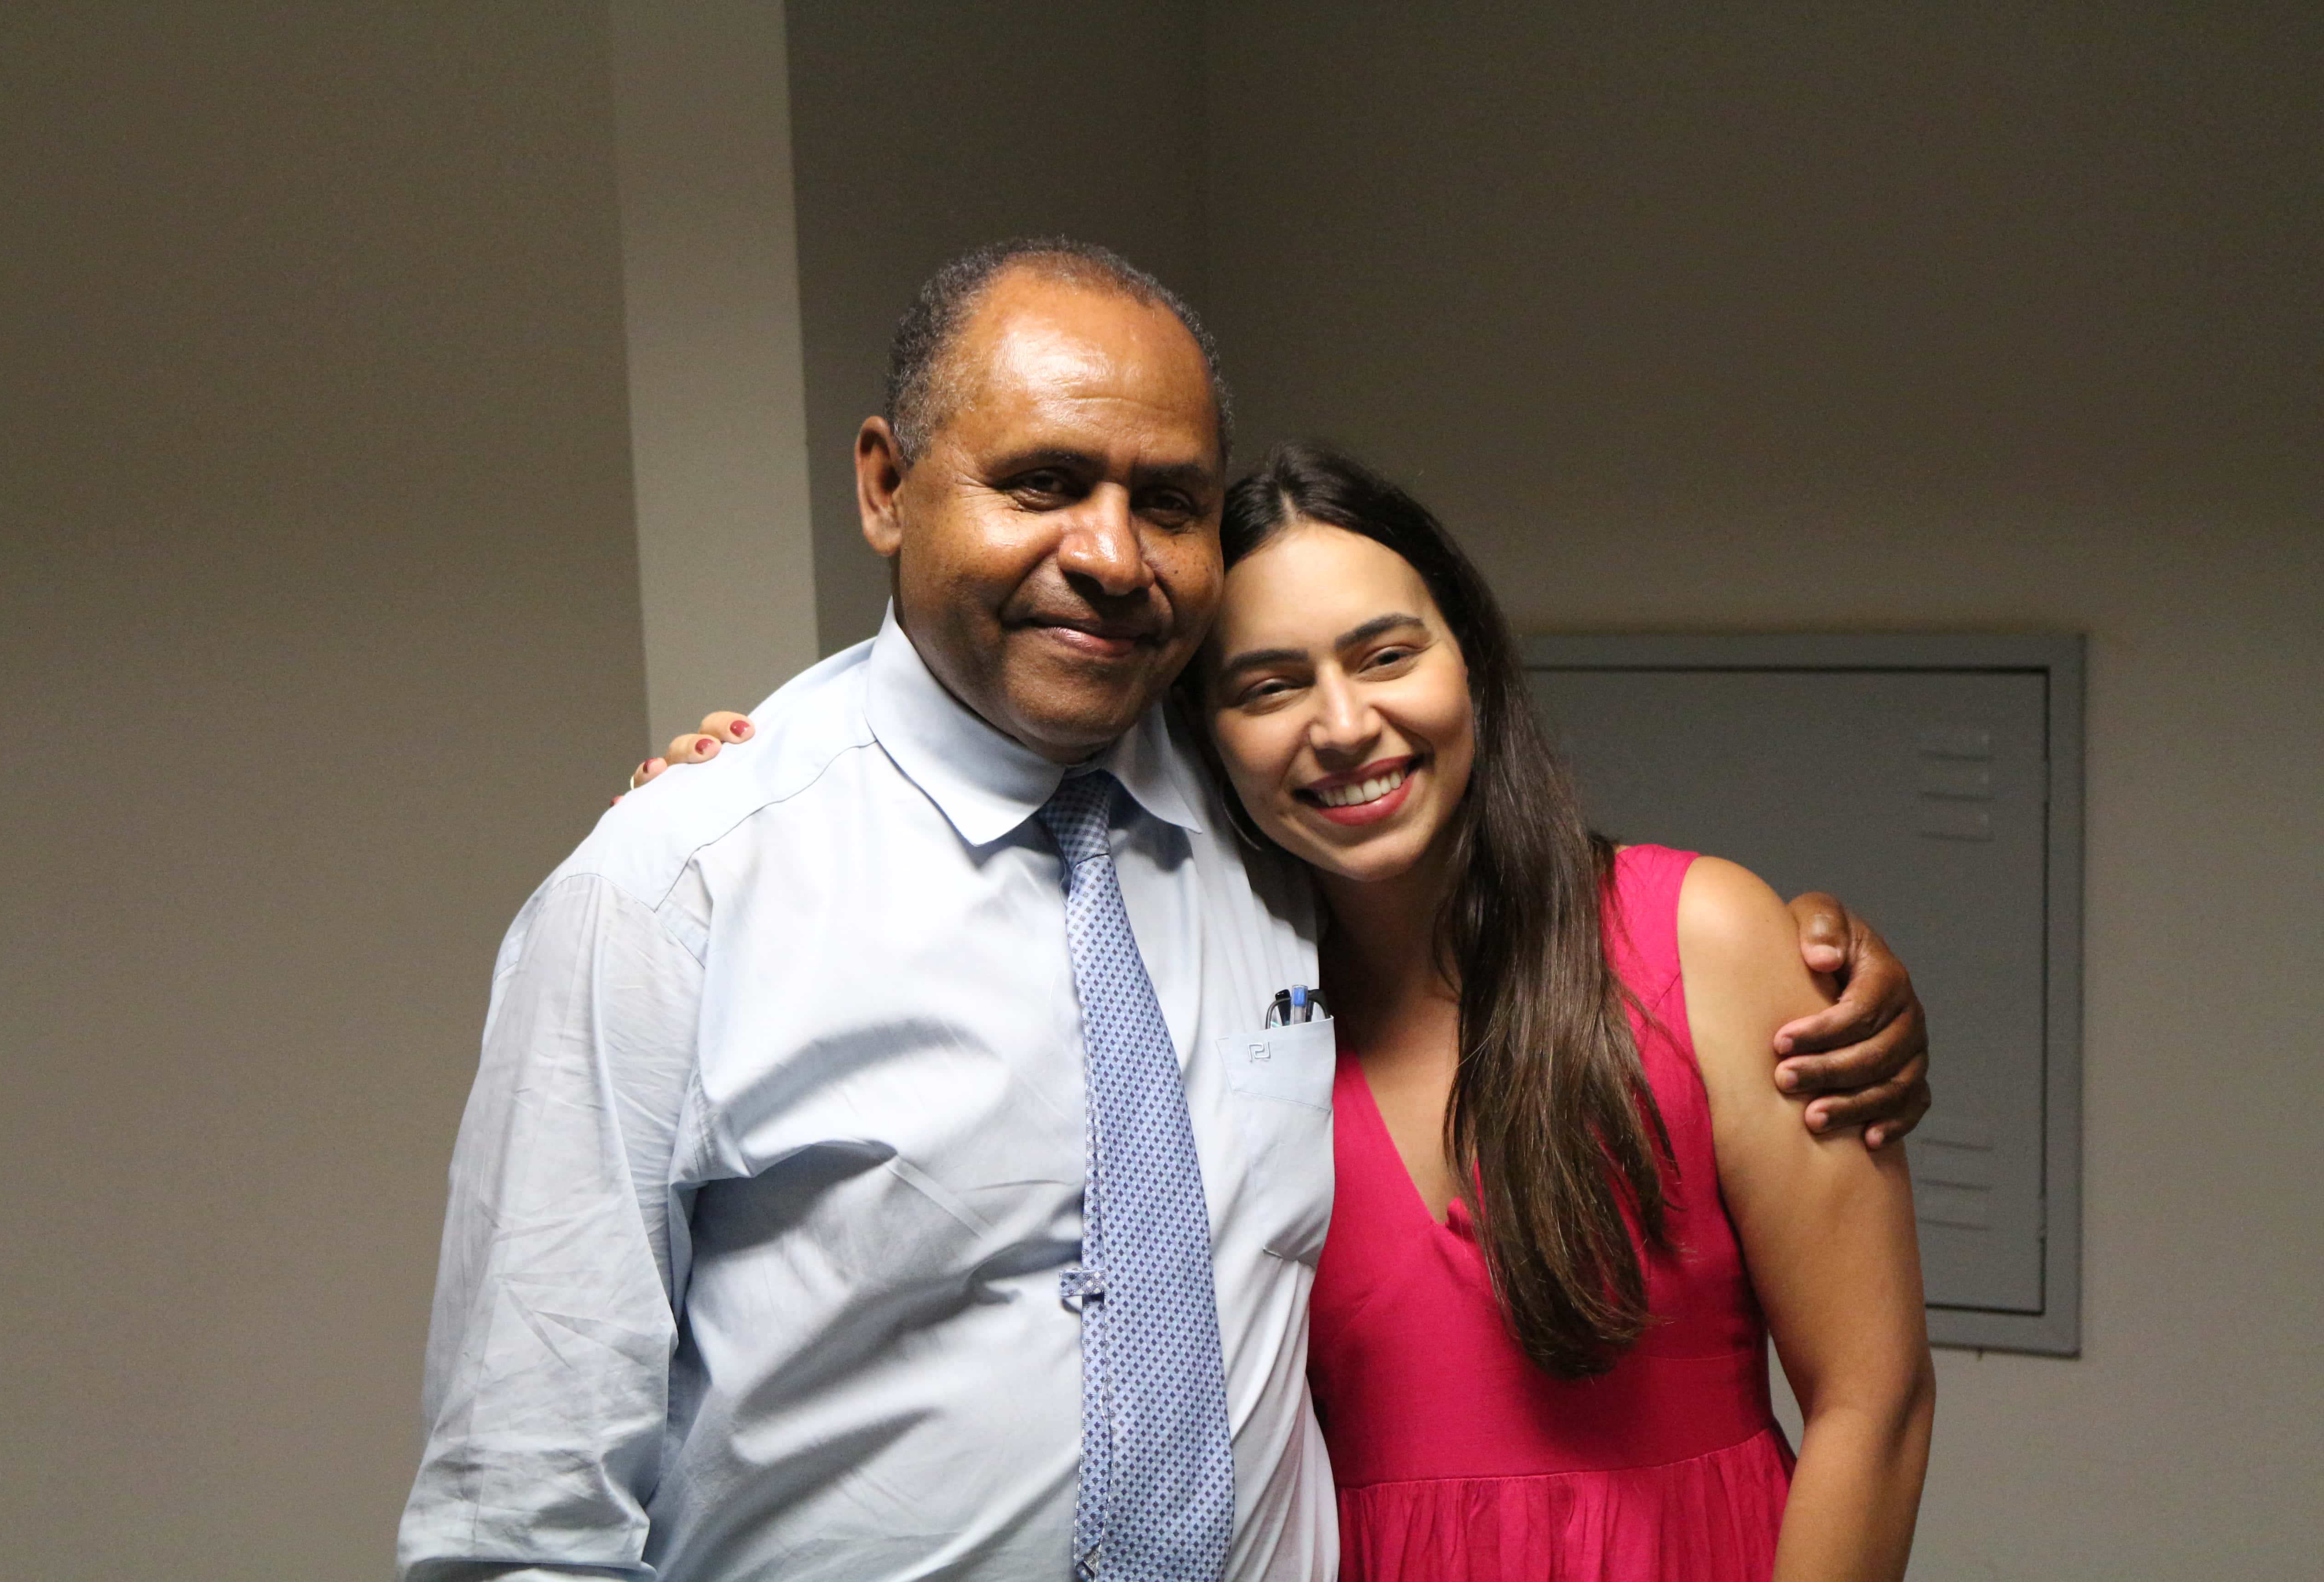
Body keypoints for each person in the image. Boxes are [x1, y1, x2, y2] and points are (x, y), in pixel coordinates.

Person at [408, 238, 1927, 1582]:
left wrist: (1839, 970)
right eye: (1041, 482)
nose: (1109, 554)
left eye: (1169, 503)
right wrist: (717, 801)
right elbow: (521, 1521)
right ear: (884, 485)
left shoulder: (1250, 848)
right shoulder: (683, 886)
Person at [1199, 444, 1933, 1579]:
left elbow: (1873, 1401)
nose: (1343, 725)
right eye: (1270, 686)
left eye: (1387, 655)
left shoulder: (1702, 939)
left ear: (1470, 661)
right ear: (1205, 733)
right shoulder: (1225, 1028)